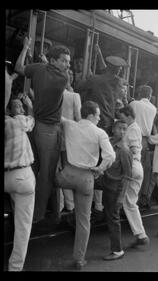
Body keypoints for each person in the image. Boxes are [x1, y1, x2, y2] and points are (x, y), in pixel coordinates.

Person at [15, 36, 71, 224]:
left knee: (33, 168)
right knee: (46, 175)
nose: (67, 65)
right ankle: (38, 215)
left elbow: (19, 68)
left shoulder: (39, 68)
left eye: (68, 62)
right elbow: (52, 73)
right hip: (49, 131)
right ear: (54, 60)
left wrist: (25, 48)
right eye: (63, 61)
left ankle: (26, 209)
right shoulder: (63, 78)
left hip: (35, 126)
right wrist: (46, 62)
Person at [57, 101, 115, 269]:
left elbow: (56, 117)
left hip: (66, 175)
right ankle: (79, 259)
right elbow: (110, 156)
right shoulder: (100, 133)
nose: (99, 119)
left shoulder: (69, 125)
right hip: (86, 179)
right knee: (84, 220)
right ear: (90, 115)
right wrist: (100, 168)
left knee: (48, 180)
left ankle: (52, 210)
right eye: (98, 115)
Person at [5, 67, 35, 271]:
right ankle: (15, 267)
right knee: (23, 226)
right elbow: (31, 121)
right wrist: (29, 105)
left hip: (6, 177)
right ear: (12, 110)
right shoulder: (20, 122)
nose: (21, 110)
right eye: (18, 107)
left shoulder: (6, 121)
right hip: (23, 177)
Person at [118, 105, 150, 247]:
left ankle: (141, 235)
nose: (120, 119)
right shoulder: (134, 127)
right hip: (136, 167)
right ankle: (140, 235)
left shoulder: (133, 129)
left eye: (122, 116)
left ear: (128, 115)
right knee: (129, 202)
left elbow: (133, 149)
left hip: (132, 166)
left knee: (128, 202)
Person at [102, 120, 133, 260]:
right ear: (113, 128)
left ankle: (117, 250)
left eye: (124, 129)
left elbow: (127, 176)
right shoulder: (108, 142)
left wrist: (121, 197)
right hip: (106, 183)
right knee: (109, 217)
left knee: (113, 218)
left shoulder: (124, 150)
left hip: (115, 189)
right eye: (120, 128)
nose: (122, 131)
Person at [78, 55, 128, 136]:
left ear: (108, 67)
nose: (120, 70)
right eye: (119, 68)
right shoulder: (119, 83)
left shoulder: (94, 79)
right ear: (117, 70)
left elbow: (79, 88)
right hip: (108, 123)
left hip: (93, 120)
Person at [129, 85, 157, 209]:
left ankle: (128, 200)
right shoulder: (154, 108)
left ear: (140, 93)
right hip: (145, 140)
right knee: (142, 170)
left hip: (133, 136)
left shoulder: (134, 103)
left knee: (130, 167)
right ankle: (139, 198)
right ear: (150, 96)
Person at [59, 70, 82, 213]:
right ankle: (71, 205)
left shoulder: (53, 93)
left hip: (53, 134)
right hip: (69, 137)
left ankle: (60, 204)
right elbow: (79, 119)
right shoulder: (74, 96)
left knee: (57, 169)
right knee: (68, 170)